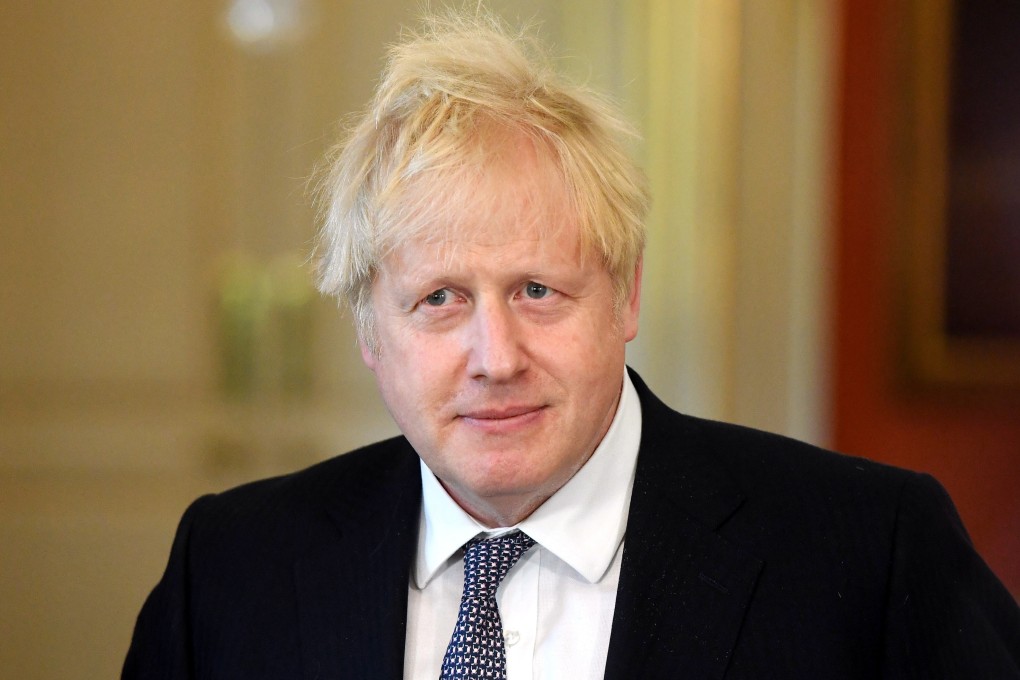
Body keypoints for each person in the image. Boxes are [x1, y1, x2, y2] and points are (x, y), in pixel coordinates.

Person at [123, 11, 1020, 680]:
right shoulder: (229, 569)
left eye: (537, 291)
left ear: (625, 295)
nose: (496, 357)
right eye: (439, 300)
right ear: (369, 331)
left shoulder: (869, 553)